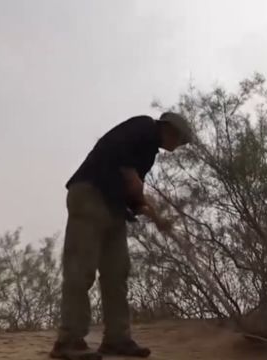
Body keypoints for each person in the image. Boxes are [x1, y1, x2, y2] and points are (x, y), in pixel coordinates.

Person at [49, 112, 193, 360]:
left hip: (114, 208)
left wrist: (155, 217)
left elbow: (134, 193)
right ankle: (69, 341)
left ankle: (117, 339)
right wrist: (130, 175)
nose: (177, 147)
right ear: (170, 130)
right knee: (80, 269)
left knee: (117, 273)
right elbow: (115, 149)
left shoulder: (148, 154)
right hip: (90, 195)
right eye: (180, 141)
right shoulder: (144, 126)